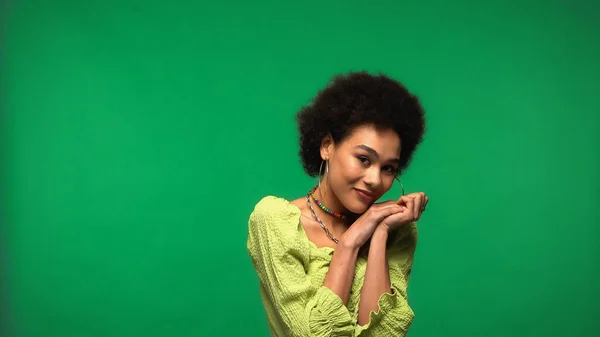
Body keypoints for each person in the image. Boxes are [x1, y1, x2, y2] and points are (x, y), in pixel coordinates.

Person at [247, 71, 428, 337]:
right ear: (327, 146)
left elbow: (383, 335)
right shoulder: (277, 222)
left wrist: (378, 235)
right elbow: (310, 334)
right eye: (364, 159)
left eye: (389, 168)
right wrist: (350, 242)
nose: (375, 180)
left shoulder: (396, 231)